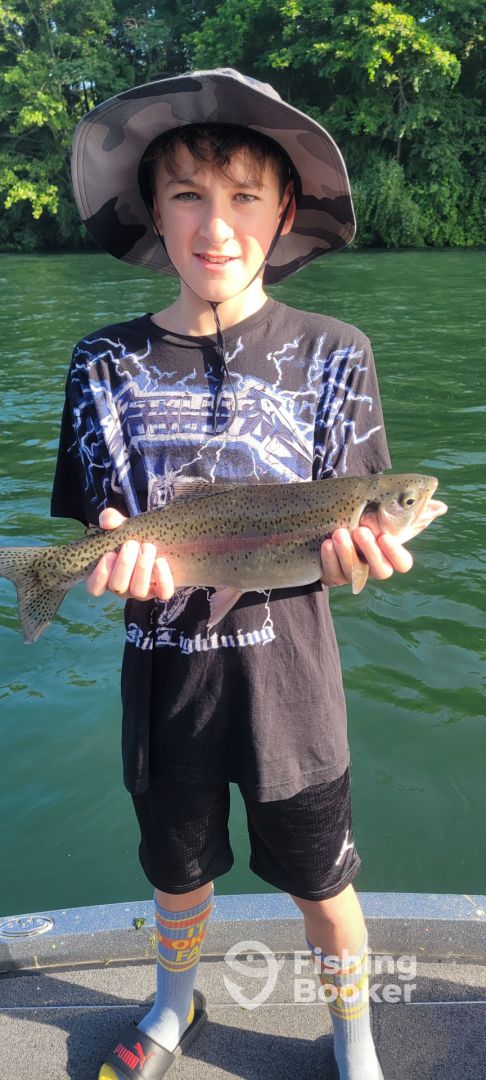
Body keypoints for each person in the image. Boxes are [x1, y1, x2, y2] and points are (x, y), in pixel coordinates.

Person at [51, 69, 445, 1080]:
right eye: (187, 194)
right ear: (153, 212)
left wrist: (365, 556)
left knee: (324, 887)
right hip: (164, 688)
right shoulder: (101, 365)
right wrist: (108, 556)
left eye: (243, 196)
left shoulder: (339, 353)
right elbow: (109, 522)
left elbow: (355, 528)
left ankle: (355, 1038)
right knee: (176, 880)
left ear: (285, 211)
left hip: (294, 700)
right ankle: (173, 1001)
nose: (215, 224)